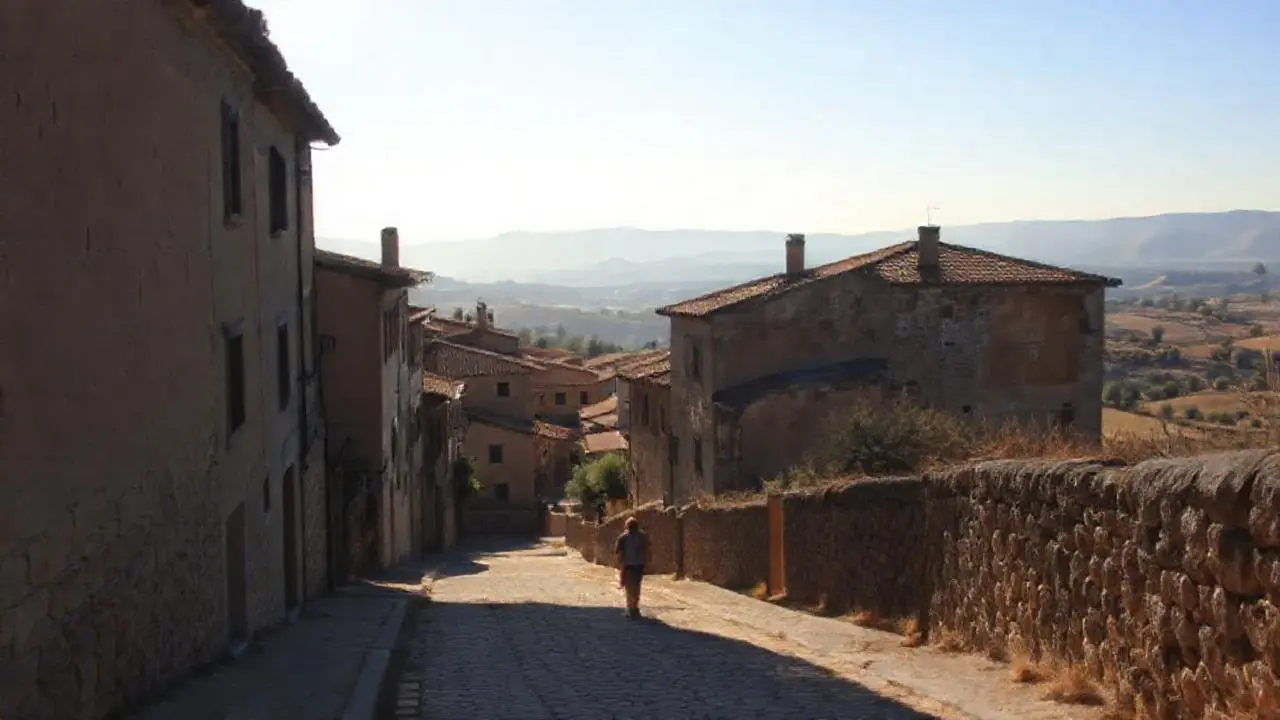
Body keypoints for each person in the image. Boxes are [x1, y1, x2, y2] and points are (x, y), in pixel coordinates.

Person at [614, 516, 649, 619]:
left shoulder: (623, 537)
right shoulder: (643, 536)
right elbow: (648, 550)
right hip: (639, 566)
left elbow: (617, 552)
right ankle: (635, 608)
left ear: (627, 526)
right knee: (636, 587)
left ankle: (631, 609)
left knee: (629, 588)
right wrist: (647, 563)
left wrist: (620, 563)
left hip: (628, 566)